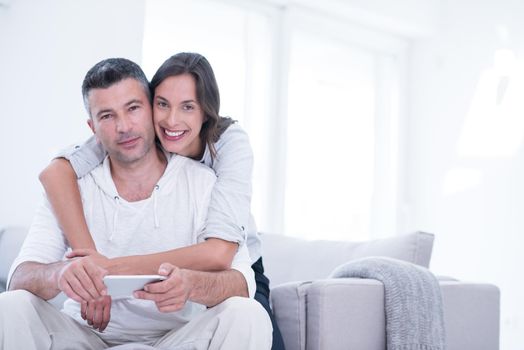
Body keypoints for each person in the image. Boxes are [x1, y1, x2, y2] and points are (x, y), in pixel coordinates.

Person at [0, 58, 272, 349]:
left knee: (248, 314)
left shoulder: (209, 178)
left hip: (176, 338)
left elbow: (241, 280)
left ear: (148, 107)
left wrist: (191, 284)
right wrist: (61, 273)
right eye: (107, 116)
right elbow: (19, 278)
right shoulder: (73, 185)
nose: (124, 127)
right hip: (86, 336)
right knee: (11, 305)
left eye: (133, 108)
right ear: (92, 127)